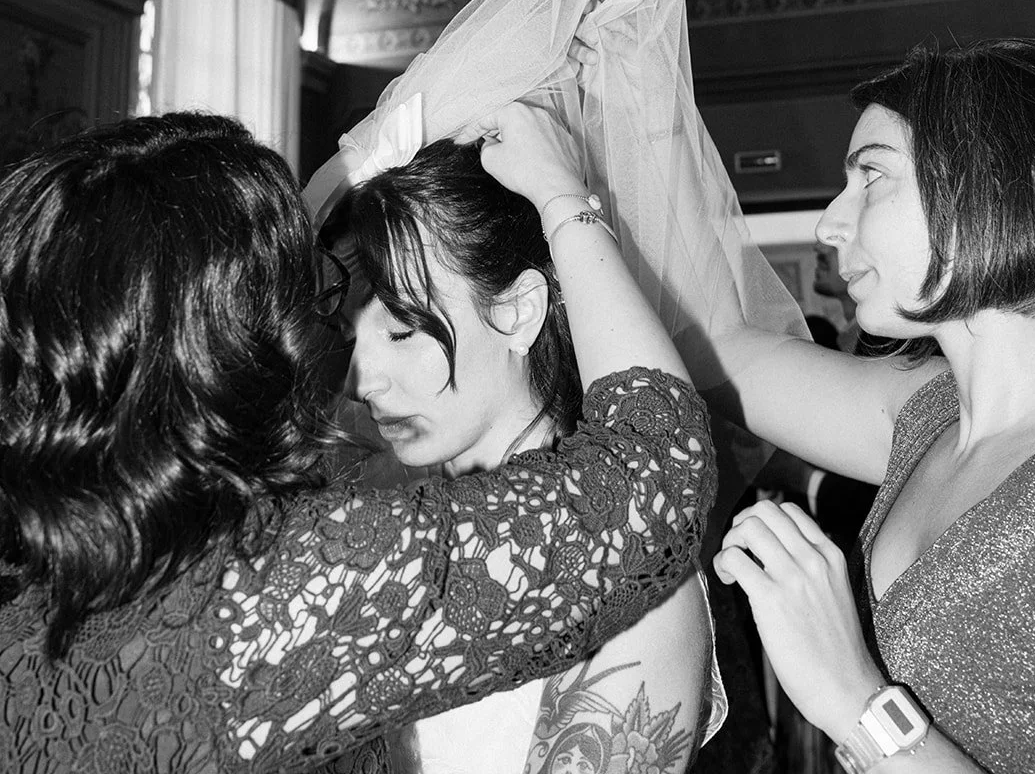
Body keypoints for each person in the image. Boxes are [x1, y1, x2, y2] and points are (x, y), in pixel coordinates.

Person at [0, 106, 717, 772]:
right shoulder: (306, 559)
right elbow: (657, 469)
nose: (358, 378)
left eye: (402, 330)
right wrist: (564, 201)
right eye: (332, 326)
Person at [708, 39, 1035, 773]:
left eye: (871, 176)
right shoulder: (927, 416)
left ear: (1019, 192)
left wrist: (851, 697)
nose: (829, 225)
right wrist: (567, 197)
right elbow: (712, 343)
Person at [320, 133, 726, 774]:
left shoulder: (626, 566)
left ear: (516, 312)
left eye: (401, 331)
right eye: (351, 337)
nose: (362, 382)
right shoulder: (376, 524)